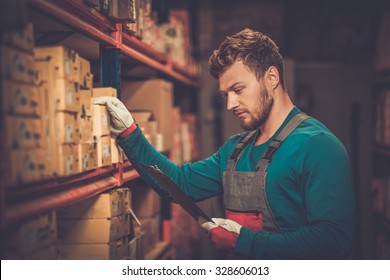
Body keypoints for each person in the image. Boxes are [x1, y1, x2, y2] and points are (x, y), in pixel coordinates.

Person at [94, 28, 355, 259]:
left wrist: (244, 241)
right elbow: (178, 184)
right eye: (225, 94)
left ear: (271, 78)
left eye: (238, 90)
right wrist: (130, 134)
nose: (230, 104)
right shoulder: (235, 150)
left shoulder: (318, 147)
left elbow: (333, 241)